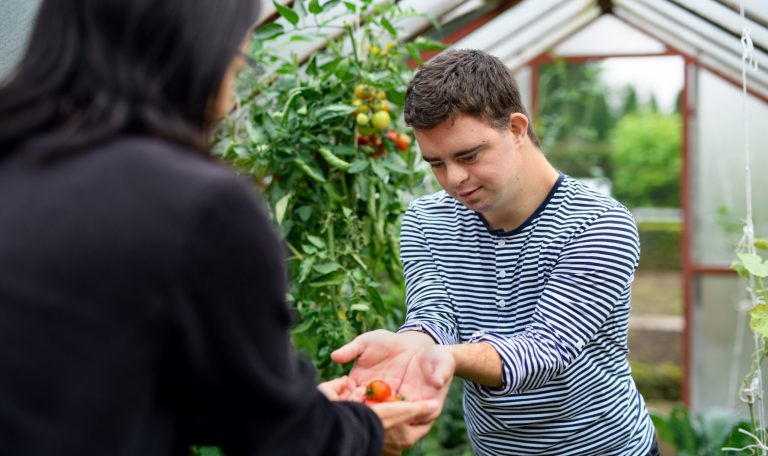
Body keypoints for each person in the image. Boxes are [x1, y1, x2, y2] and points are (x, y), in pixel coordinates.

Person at [0, 1, 443, 455]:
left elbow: (95, 386)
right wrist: (363, 429)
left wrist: (285, 404)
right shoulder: (197, 206)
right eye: (235, 65)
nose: (229, 99)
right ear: (195, 58)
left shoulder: (16, 162)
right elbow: (282, 442)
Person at [332, 49, 660, 455]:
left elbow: (546, 348)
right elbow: (435, 313)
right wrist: (413, 346)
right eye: (436, 163)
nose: (454, 179)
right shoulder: (426, 221)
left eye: (469, 156)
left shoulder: (598, 224)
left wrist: (443, 357)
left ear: (517, 128)